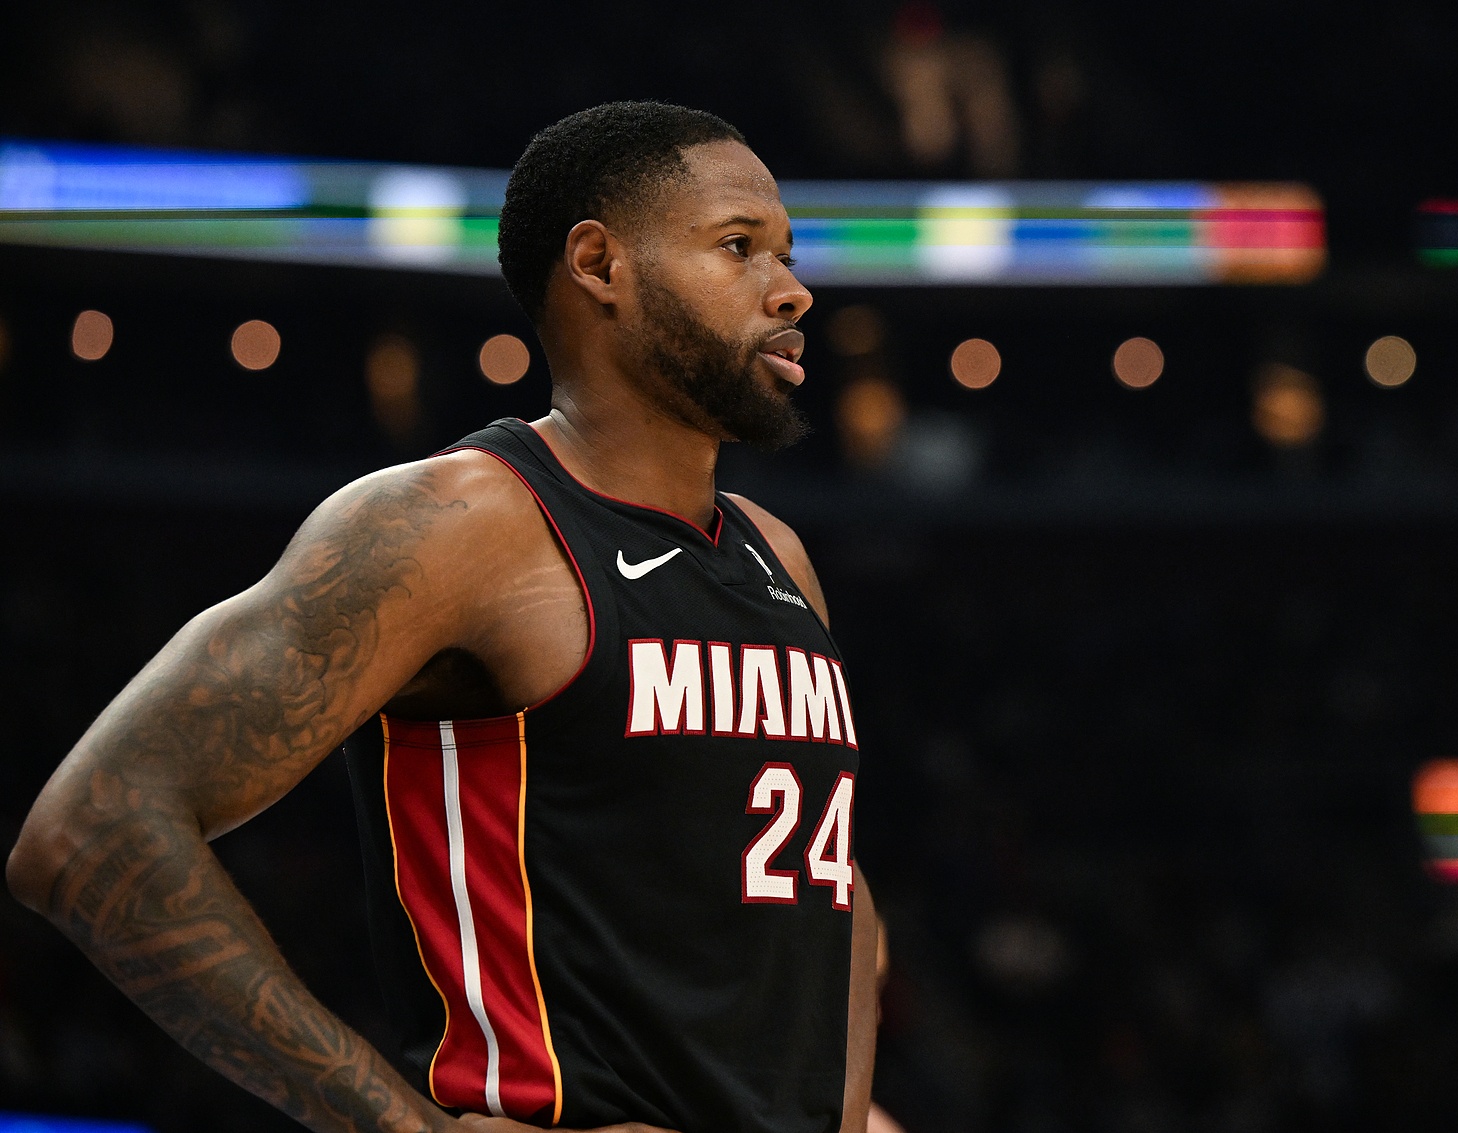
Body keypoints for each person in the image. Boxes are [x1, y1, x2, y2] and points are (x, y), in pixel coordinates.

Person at [8, 101, 877, 1133]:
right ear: (599, 264)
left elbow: (838, 902)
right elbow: (93, 828)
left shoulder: (779, 556)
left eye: (786, 253)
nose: (791, 288)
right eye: (738, 246)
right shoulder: (459, 524)